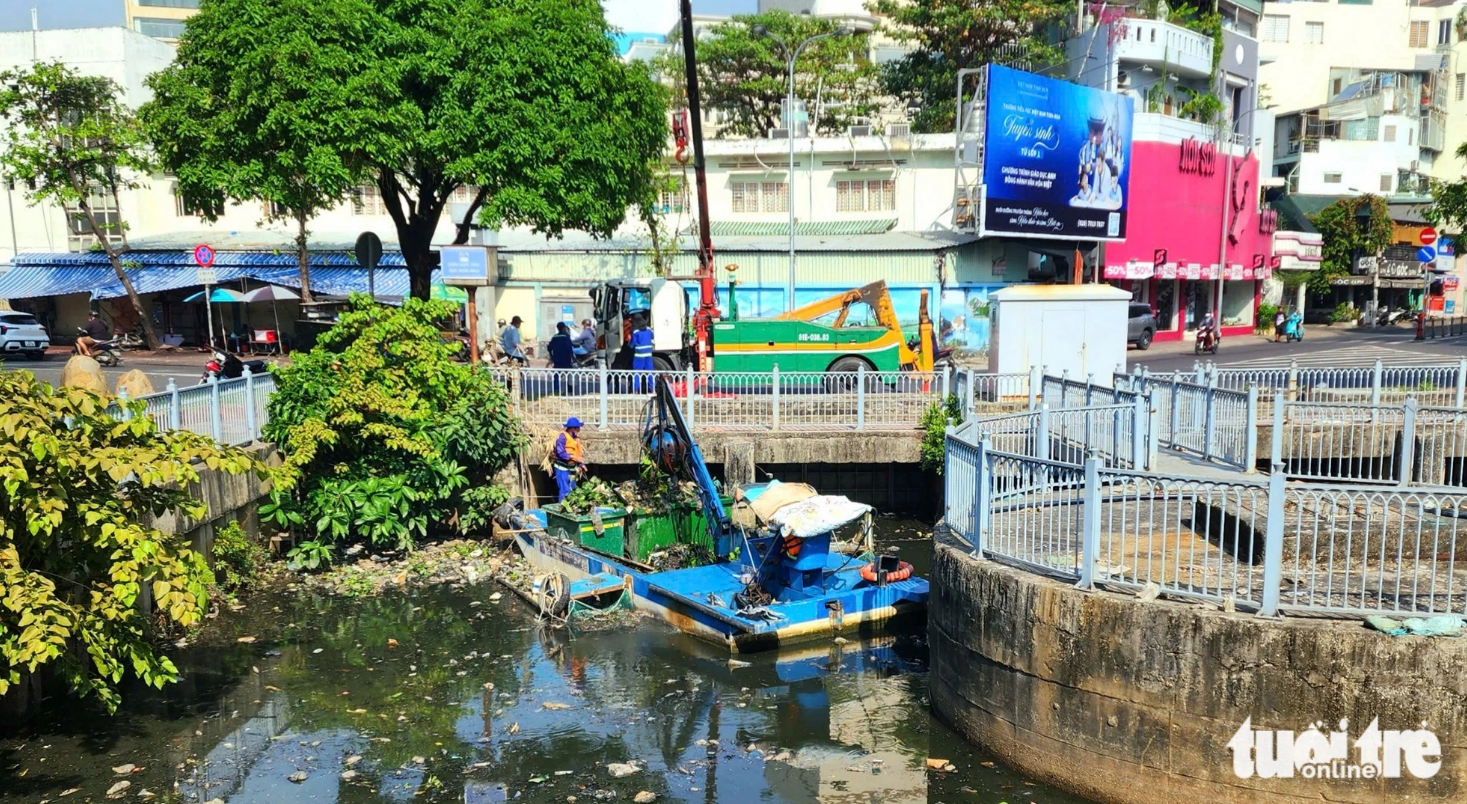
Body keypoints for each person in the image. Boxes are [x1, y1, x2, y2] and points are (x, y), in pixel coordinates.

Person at [551, 417, 587, 502]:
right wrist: (574, 458)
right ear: (572, 428)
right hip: (562, 468)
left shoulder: (576, 439)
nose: (579, 429)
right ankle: (562, 508)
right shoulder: (562, 437)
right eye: (578, 428)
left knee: (573, 489)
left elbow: (577, 454)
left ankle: (572, 508)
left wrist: (581, 464)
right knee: (565, 490)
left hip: (572, 469)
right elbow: (561, 453)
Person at [630, 313, 655, 392]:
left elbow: (633, 343)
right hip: (648, 354)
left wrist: (629, 345)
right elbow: (652, 336)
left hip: (639, 355)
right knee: (650, 373)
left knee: (637, 373)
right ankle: (653, 390)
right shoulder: (648, 329)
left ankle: (635, 391)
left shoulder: (635, 331)